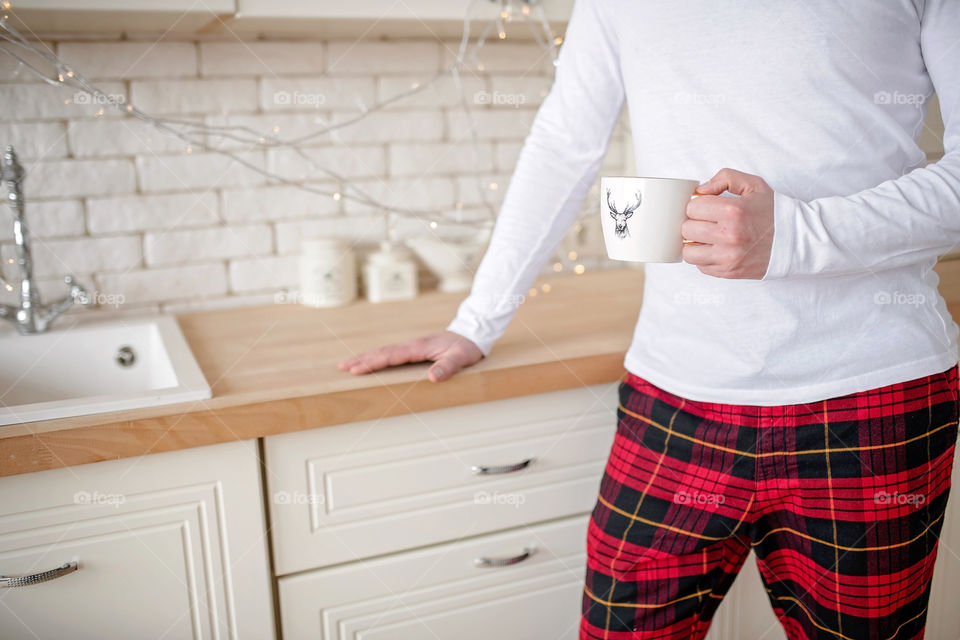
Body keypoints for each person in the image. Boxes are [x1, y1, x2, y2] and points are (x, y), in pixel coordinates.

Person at [338, 1, 960, 638]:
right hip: (674, 401)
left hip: (872, 398)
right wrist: (477, 320)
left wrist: (795, 234)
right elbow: (563, 143)